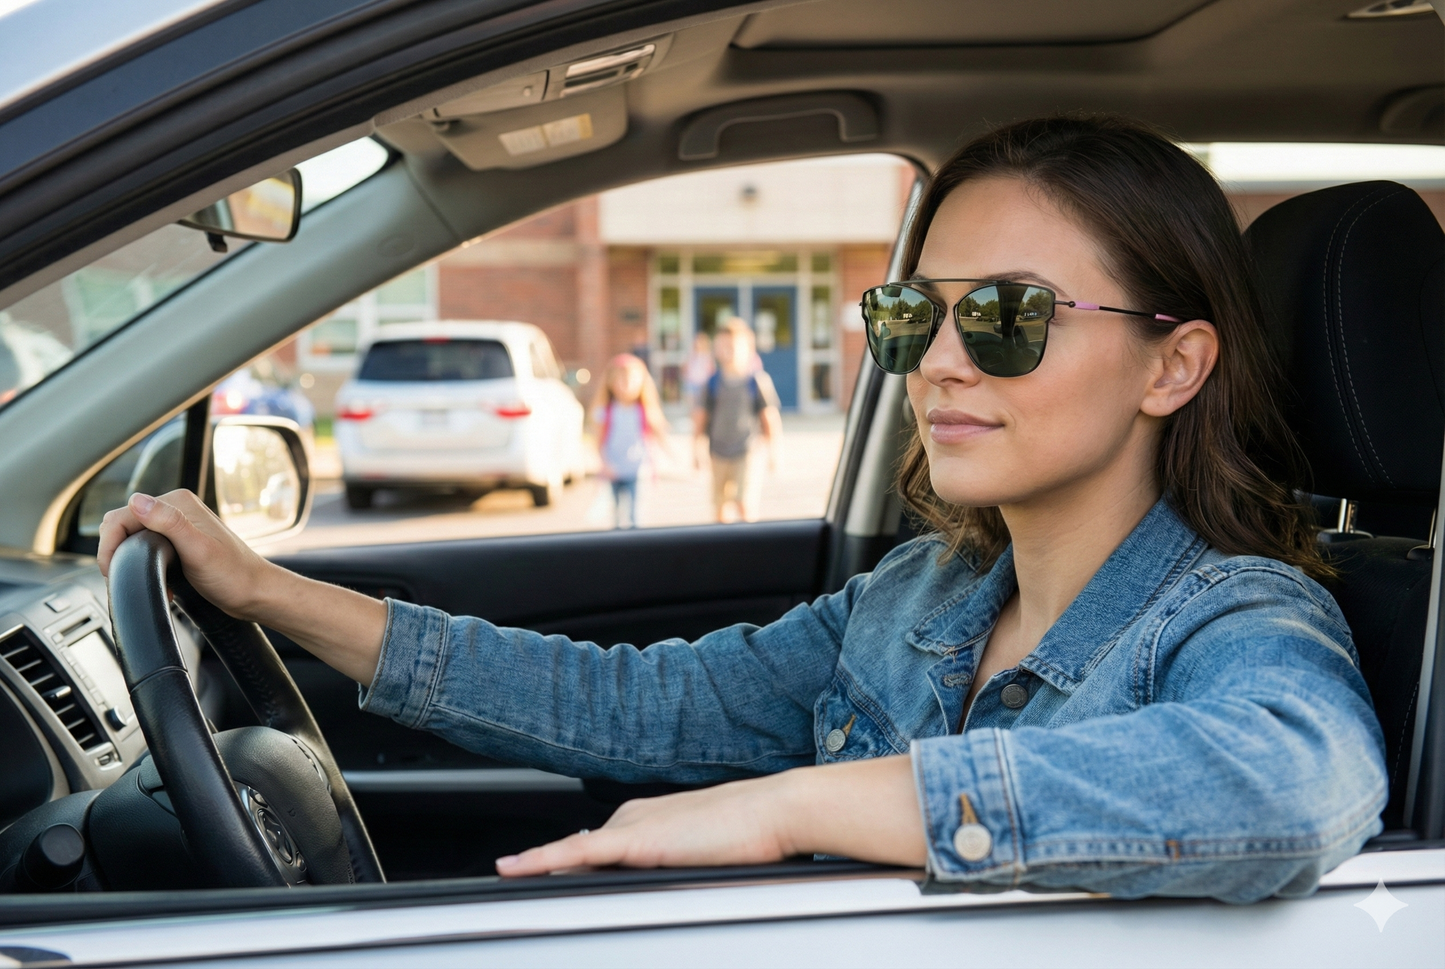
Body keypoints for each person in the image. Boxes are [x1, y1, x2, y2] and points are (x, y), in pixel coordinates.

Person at [99, 115, 1386, 903]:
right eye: (912, 313)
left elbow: (1298, 782)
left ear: (1173, 366)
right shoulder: (920, 598)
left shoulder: (1233, 615)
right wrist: (271, 594)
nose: (938, 362)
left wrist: (790, 804)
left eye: (1005, 316)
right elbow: (633, 704)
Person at [692, 318, 782, 523]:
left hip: (747, 451)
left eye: (733, 345)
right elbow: (700, 419)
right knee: (719, 505)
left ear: (748, 348)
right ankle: (723, 540)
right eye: (723, 345)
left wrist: (773, 452)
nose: (728, 350)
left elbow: (769, 418)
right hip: (718, 452)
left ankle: (749, 540)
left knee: (744, 503)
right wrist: (696, 451)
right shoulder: (712, 383)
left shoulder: (757, 381)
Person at [592, 353, 669, 529]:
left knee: (636, 515)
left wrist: (666, 458)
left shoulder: (644, 410)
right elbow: (598, 440)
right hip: (614, 469)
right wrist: (604, 464)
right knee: (616, 514)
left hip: (637, 470)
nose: (624, 385)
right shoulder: (605, 411)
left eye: (629, 380)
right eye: (619, 380)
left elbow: (657, 436)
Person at [682, 331, 715, 408]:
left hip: (702, 385)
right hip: (691, 384)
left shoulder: (708, 356)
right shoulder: (692, 355)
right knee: (691, 406)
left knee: (701, 406)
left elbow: (711, 371)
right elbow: (686, 368)